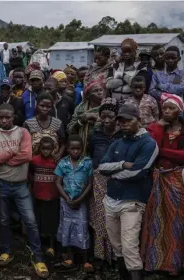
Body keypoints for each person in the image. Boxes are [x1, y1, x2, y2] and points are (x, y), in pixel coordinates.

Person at [0, 103, 49, 279]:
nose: (4, 120)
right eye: (1, 117)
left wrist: (4, 161)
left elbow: (26, 155)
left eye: (7, 117)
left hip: (21, 185)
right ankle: (6, 251)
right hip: (1, 184)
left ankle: (38, 257)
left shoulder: (23, 132)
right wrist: (11, 154)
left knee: (30, 220)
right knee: (4, 220)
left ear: (13, 116)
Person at [99, 104, 158, 280]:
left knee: (129, 246)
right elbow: (102, 166)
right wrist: (122, 165)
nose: (123, 124)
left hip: (132, 201)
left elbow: (138, 171)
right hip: (110, 199)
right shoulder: (118, 142)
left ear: (139, 121)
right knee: (117, 246)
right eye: (121, 121)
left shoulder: (149, 143)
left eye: (128, 120)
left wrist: (114, 174)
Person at [141, 93, 184, 276]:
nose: (167, 111)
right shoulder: (156, 128)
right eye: (164, 108)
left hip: (178, 179)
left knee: (176, 220)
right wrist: (158, 127)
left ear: (179, 111)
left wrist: (163, 152)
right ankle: (155, 262)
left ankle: (174, 263)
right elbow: (152, 149)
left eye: (171, 108)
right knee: (157, 219)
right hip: (159, 179)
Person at [88, 97, 121, 267]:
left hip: (118, 180)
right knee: (100, 217)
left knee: (116, 218)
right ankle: (100, 256)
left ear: (117, 117)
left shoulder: (123, 135)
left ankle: (116, 257)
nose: (107, 120)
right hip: (99, 180)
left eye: (111, 116)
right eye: (103, 116)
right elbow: (91, 154)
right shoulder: (95, 135)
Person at [55, 134, 93, 272]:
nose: (75, 151)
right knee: (67, 227)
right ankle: (69, 257)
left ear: (82, 149)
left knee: (82, 228)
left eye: (78, 148)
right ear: (68, 149)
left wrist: (79, 199)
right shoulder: (63, 163)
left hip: (81, 202)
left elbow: (89, 184)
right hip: (66, 202)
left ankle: (86, 261)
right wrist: (67, 198)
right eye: (72, 148)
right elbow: (58, 182)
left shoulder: (87, 162)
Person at [29, 137, 59, 258]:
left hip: (52, 196)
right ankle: (39, 246)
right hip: (38, 195)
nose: (46, 151)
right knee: (39, 221)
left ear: (53, 149)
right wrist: (33, 183)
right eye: (43, 148)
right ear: (39, 148)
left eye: (49, 149)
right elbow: (30, 172)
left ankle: (52, 246)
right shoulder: (34, 160)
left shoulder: (56, 161)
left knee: (52, 222)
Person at [24, 93, 65, 161]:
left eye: (48, 106)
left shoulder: (58, 123)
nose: (45, 108)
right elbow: (24, 145)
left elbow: (63, 143)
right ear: (37, 105)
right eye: (42, 106)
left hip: (52, 162)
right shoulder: (28, 123)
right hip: (34, 161)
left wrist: (59, 155)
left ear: (52, 107)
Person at [68, 80, 106, 153]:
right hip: (82, 146)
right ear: (88, 95)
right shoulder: (80, 108)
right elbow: (70, 130)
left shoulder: (108, 107)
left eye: (101, 90)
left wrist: (97, 120)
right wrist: (81, 120)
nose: (100, 92)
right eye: (96, 91)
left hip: (101, 146)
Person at [106, 38, 149, 102]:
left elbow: (137, 84)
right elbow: (108, 84)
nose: (126, 54)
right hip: (114, 103)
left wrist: (121, 75)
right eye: (124, 51)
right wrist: (128, 79)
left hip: (132, 104)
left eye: (129, 51)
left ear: (135, 52)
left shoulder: (141, 66)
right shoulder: (115, 65)